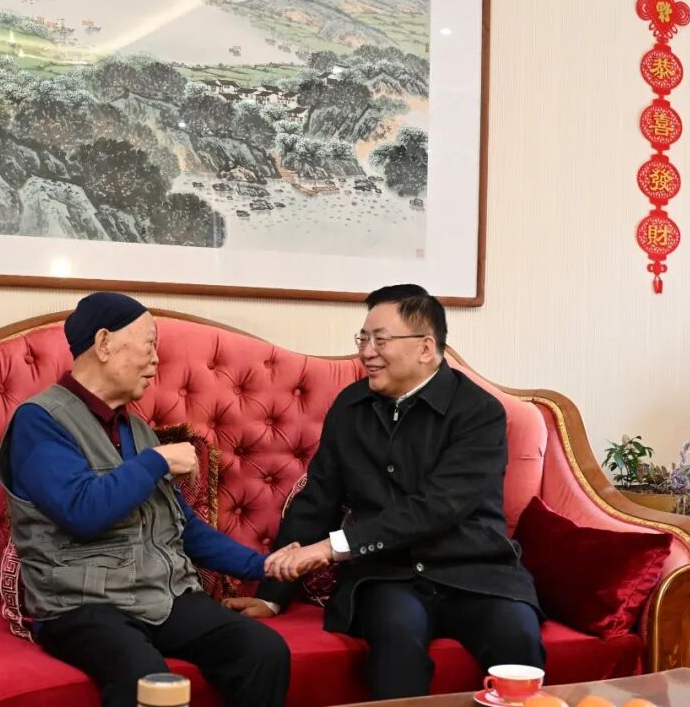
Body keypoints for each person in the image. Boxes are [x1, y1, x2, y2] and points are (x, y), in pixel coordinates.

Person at [225, 284, 545, 700]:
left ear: (425, 347)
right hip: (387, 575)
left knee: (518, 643)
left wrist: (330, 548)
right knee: (396, 642)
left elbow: (438, 507)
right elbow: (317, 500)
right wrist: (272, 596)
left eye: (380, 340)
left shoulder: (479, 412)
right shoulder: (351, 407)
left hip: (476, 573)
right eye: (363, 339)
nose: (367, 352)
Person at [0, 292, 290, 707]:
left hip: (162, 597)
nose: (156, 360)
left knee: (262, 650)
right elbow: (82, 511)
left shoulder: (137, 430)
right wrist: (157, 461)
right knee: (143, 678)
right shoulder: (40, 420)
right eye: (149, 344)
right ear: (103, 343)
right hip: (81, 605)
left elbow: (183, 527)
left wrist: (265, 566)